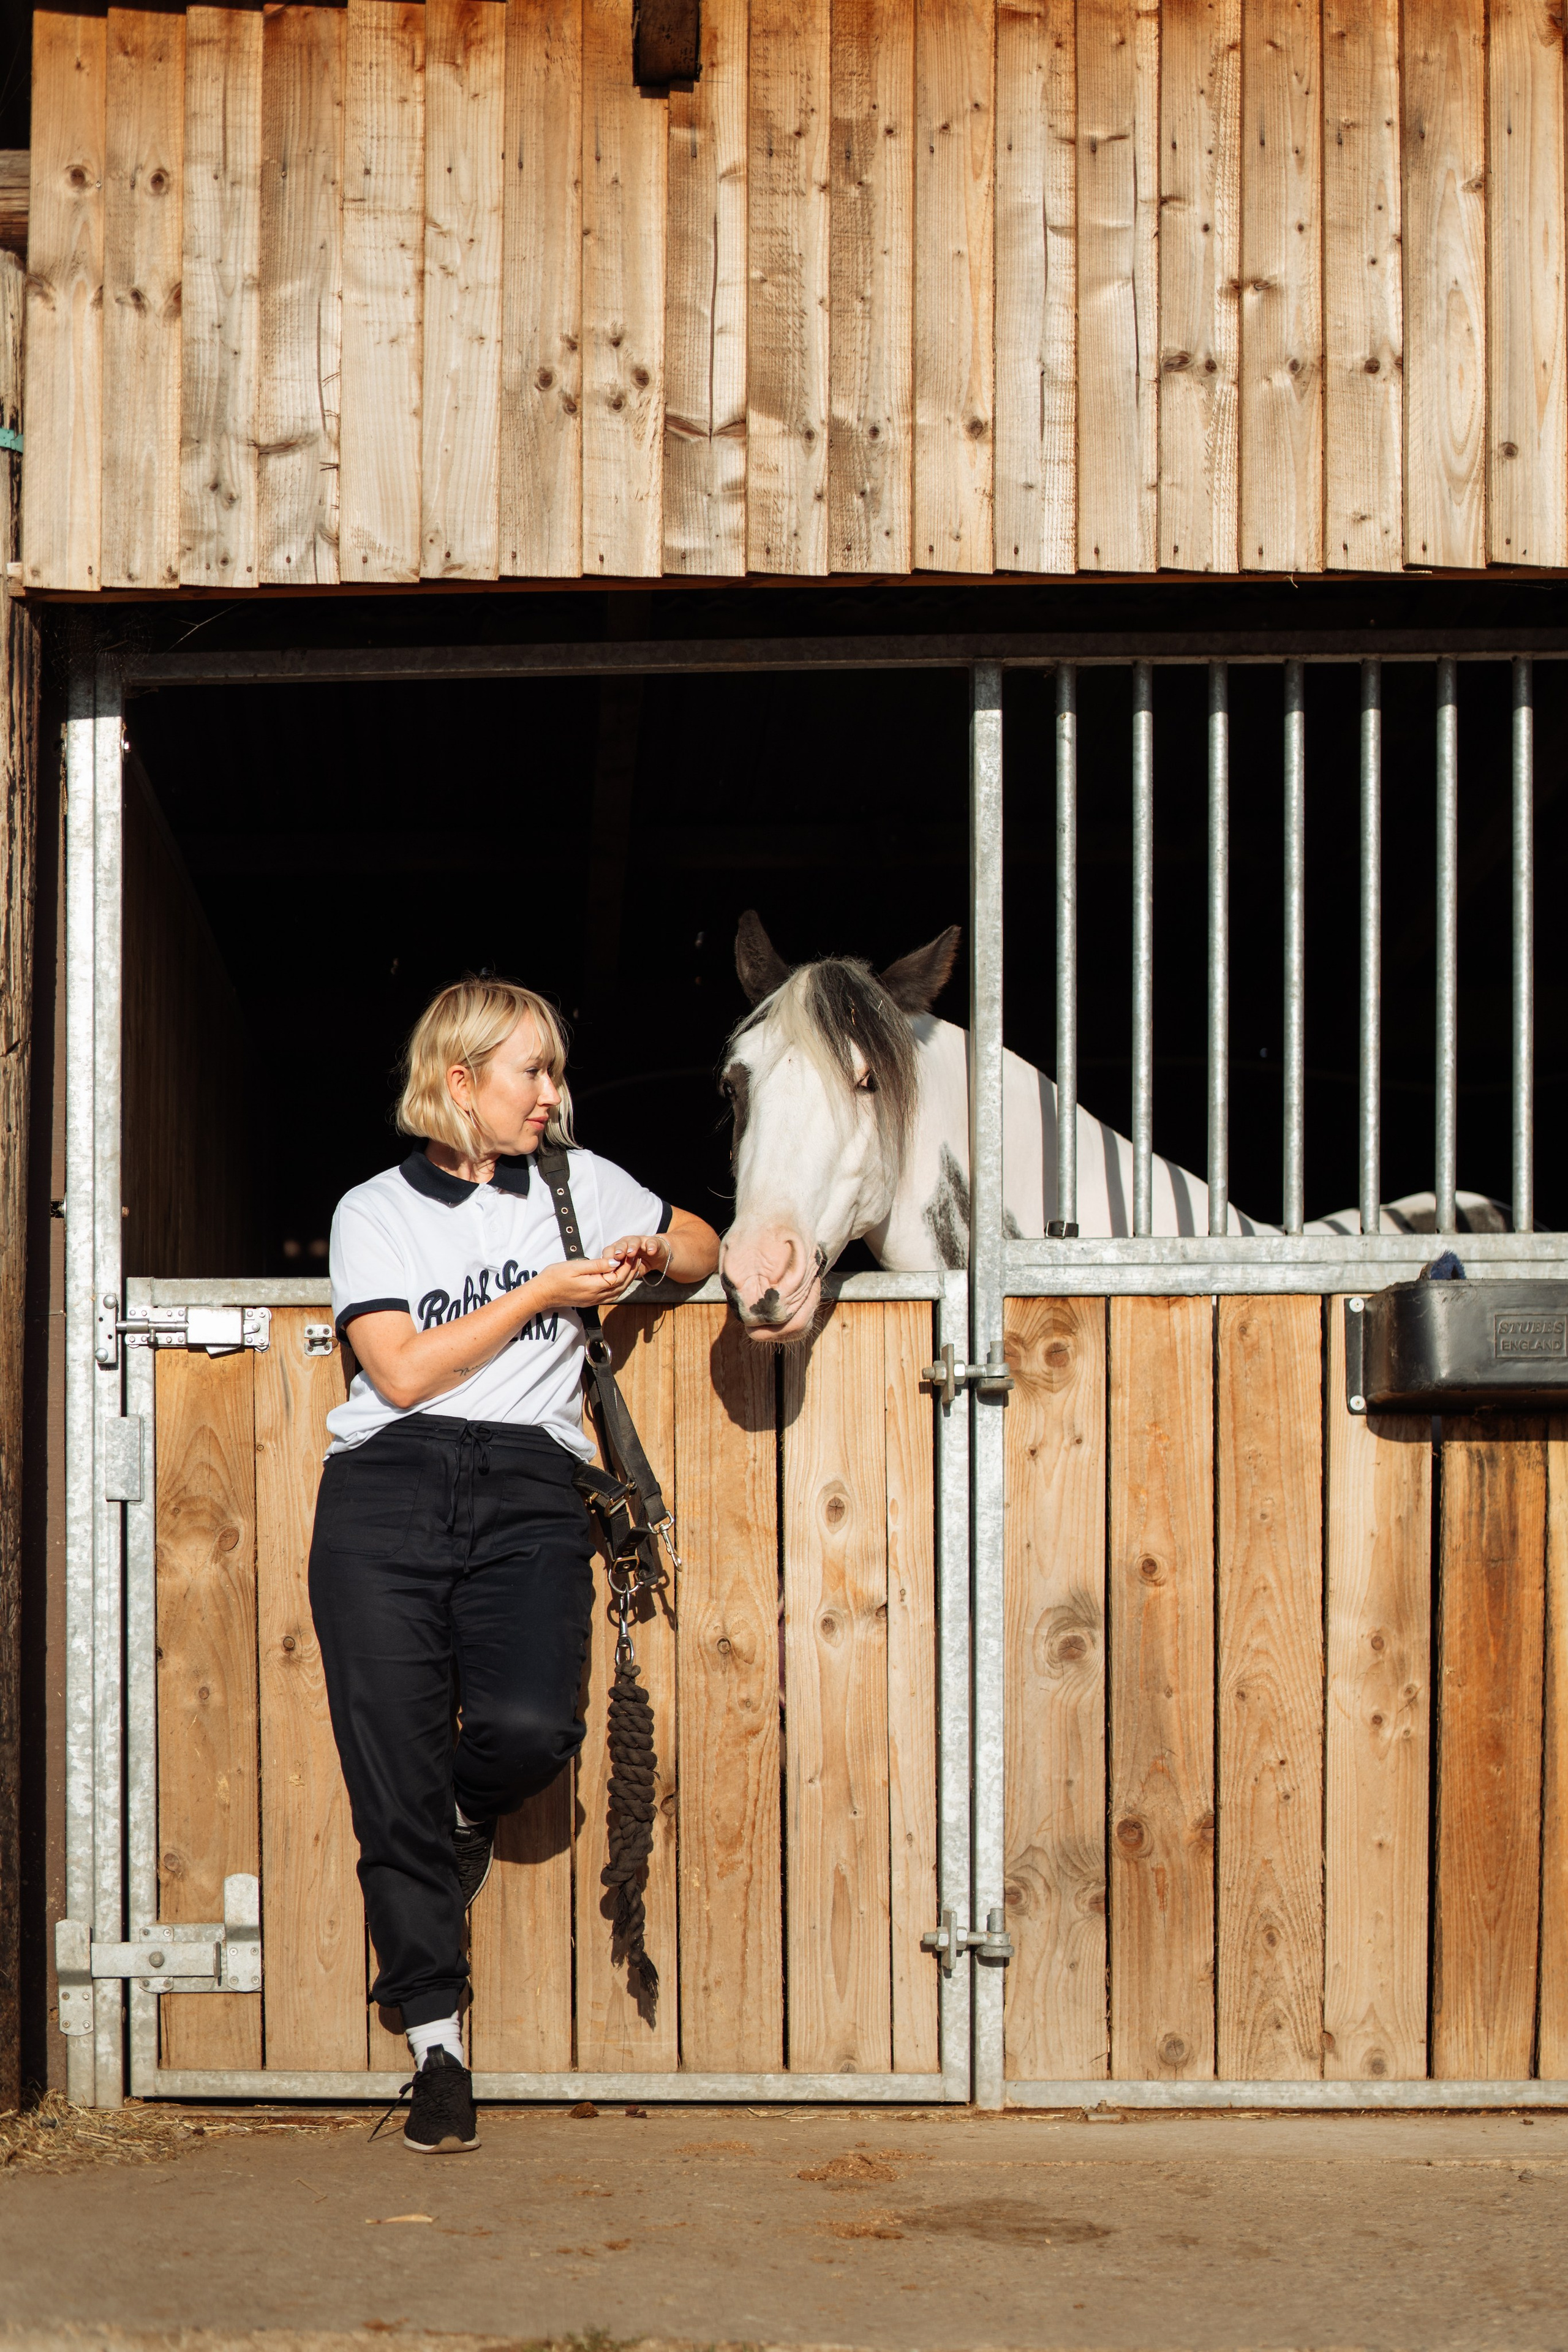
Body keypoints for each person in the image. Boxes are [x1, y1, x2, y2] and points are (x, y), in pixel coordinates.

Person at [309, 978, 720, 2153]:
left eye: (554, 1069)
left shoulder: (576, 1183)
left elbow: (701, 1242)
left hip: (533, 1483)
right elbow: (397, 1371)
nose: (554, 1092)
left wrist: (658, 1246)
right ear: (460, 1083)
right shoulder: (372, 1209)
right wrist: (543, 1291)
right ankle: (438, 2048)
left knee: (536, 1727)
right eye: (531, 1072)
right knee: (388, 1773)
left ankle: (462, 1808)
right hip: (387, 1489)